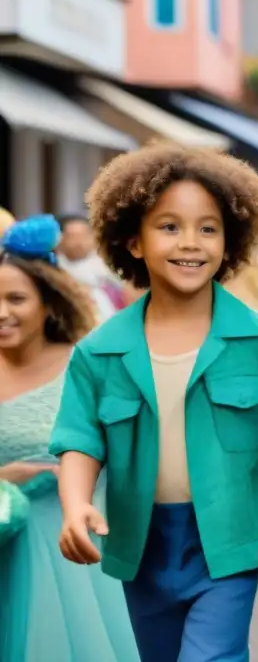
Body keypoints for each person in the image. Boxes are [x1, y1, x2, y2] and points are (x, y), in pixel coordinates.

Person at [48, 141, 258, 662]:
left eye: (208, 228)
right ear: (132, 241)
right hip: (141, 543)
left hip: (227, 541)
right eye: (169, 226)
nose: (191, 243)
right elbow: (80, 440)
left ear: (231, 241)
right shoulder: (98, 351)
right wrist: (75, 504)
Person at [0, 215, 139, 661]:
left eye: (16, 299)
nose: (1, 312)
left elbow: (131, 453)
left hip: (71, 561)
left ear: (48, 302)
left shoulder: (89, 364)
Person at [56, 213, 120, 321]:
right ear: (60, 239)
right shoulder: (55, 268)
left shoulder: (107, 268)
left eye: (84, 235)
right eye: (73, 236)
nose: (79, 242)